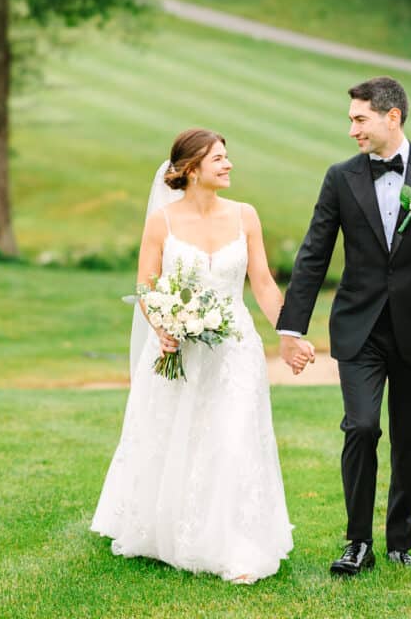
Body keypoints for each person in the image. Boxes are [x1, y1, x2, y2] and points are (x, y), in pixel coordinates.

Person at [91, 128, 313, 584]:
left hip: (235, 349)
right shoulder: (162, 223)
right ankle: (166, 529)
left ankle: (236, 546)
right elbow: (145, 288)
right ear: (191, 169)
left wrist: (289, 333)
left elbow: (264, 285)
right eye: (218, 159)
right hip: (179, 349)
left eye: (227, 157)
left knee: (233, 439)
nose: (228, 165)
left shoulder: (246, 216)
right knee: (178, 437)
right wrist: (163, 327)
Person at [277, 77, 411, 575]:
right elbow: (313, 254)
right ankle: (357, 542)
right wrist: (291, 328)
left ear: (393, 117)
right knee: (362, 426)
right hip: (359, 327)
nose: (352, 131)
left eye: (359, 119)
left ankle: (399, 542)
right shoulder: (340, 177)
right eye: (351, 120)